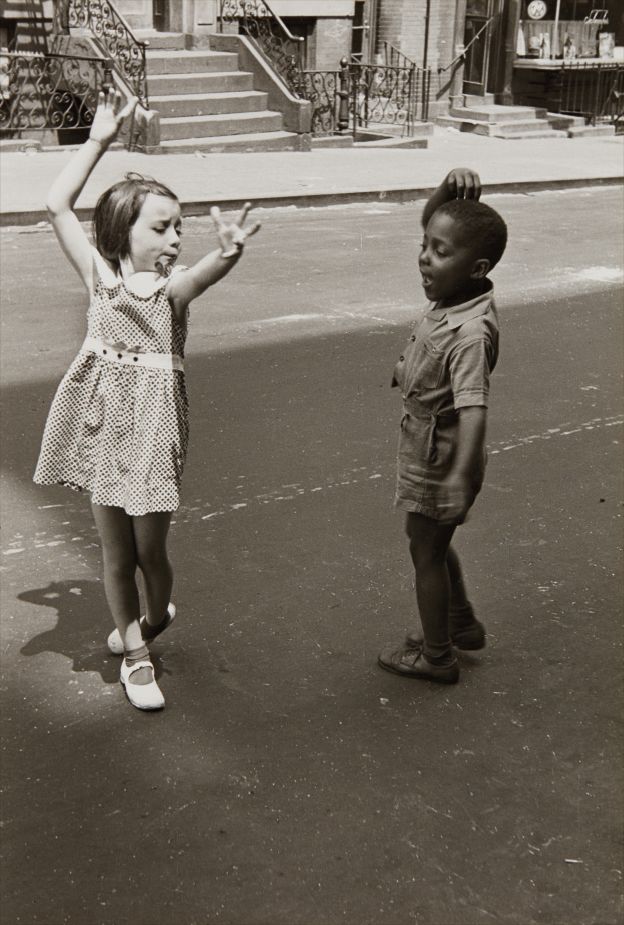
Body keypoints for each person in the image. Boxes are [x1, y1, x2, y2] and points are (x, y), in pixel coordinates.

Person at [34, 89, 260, 710]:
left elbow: (200, 275)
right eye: (161, 227)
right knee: (114, 553)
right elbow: (56, 204)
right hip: (104, 427)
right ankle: (137, 656)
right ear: (119, 234)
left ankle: (154, 617)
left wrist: (228, 251)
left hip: (153, 434)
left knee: (150, 552)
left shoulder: (170, 296)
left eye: (179, 227)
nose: (175, 238)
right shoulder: (100, 280)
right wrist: (98, 140)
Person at [378, 168, 507, 685]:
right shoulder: (456, 293)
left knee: (426, 550)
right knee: (424, 539)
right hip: (427, 445)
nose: (425, 257)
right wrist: (444, 191)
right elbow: (432, 220)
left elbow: (475, 407)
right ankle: (458, 622)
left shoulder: (470, 331)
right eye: (426, 246)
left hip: (442, 454)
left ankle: (437, 655)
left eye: (440, 251)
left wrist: (457, 474)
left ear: (475, 268)